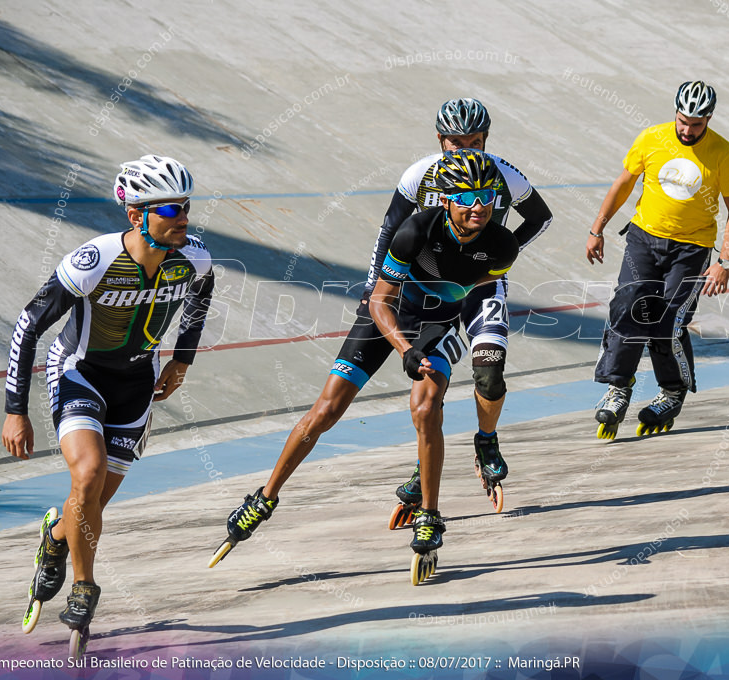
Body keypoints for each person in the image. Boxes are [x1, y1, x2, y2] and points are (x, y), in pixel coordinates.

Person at [214, 151, 518, 573]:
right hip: (388, 318)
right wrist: (403, 348)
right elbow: (379, 300)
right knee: (326, 410)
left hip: (439, 325)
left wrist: (447, 348)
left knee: (426, 408)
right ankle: (263, 499)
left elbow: (470, 297)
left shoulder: (502, 245)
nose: (479, 206)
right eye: (466, 196)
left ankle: (430, 515)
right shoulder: (415, 230)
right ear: (446, 199)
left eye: (487, 196)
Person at [3, 155, 214, 641]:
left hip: (138, 382)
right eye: (169, 210)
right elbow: (27, 325)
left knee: (91, 501)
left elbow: (202, 295)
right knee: (89, 475)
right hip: (81, 373)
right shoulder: (92, 261)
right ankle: (84, 587)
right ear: (136, 215)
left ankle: (55, 539)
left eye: (185, 205)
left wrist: (183, 359)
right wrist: (15, 409)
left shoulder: (195, 257)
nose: (182, 216)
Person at [368, 97, 552, 509]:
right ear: (440, 140)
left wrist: (500, 255)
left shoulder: (503, 173)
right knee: (433, 384)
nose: (466, 149)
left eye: (475, 141)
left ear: (487, 138)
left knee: (490, 375)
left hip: (483, 286)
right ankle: (425, 466)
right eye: (456, 143)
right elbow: (388, 231)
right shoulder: (420, 174)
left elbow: (541, 217)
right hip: (434, 292)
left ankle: (486, 441)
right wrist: (373, 285)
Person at [585, 81, 729, 439]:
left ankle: (672, 391)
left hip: (691, 250)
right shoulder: (652, 138)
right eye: (683, 121)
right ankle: (618, 386)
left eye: (697, 124)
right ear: (675, 113)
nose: (688, 131)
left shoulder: (722, 152)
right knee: (628, 306)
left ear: (709, 120)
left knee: (667, 322)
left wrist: (724, 261)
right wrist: (597, 229)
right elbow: (624, 183)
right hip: (644, 239)